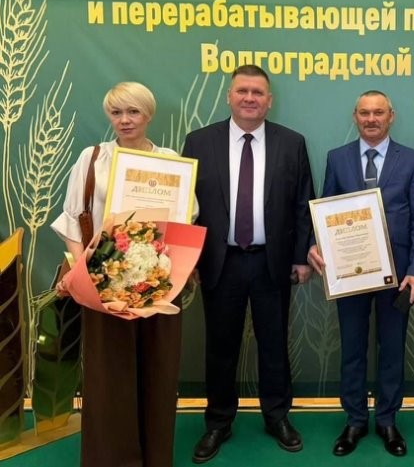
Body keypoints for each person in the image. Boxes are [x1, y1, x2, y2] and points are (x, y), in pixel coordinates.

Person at [183, 64, 315, 463]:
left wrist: (301, 257)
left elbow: (302, 203)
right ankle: (218, 422)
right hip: (219, 262)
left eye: (258, 92)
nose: (249, 98)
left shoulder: (291, 143)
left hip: (271, 263)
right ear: (229, 96)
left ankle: (276, 416)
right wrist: (188, 258)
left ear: (269, 101)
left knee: (274, 344)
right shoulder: (199, 142)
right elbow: (184, 206)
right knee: (220, 346)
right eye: (242, 90)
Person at [51, 81, 182, 467]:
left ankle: (155, 457)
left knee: (157, 373)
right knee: (109, 379)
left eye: (133, 111)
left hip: (157, 283)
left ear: (148, 115)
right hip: (103, 283)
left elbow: (183, 220)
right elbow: (73, 219)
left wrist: (167, 272)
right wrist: (84, 275)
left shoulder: (170, 160)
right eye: (116, 112)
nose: (125, 120)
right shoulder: (92, 159)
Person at [307, 90, 414, 457]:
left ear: (391, 116)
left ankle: (388, 420)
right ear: (355, 117)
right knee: (352, 347)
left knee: (392, 348)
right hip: (349, 273)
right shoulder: (338, 158)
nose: (371, 119)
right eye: (365, 113)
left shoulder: (413, 160)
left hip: (399, 274)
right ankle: (356, 420)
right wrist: (315, 243)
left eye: (378, 112)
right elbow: (326, 208)